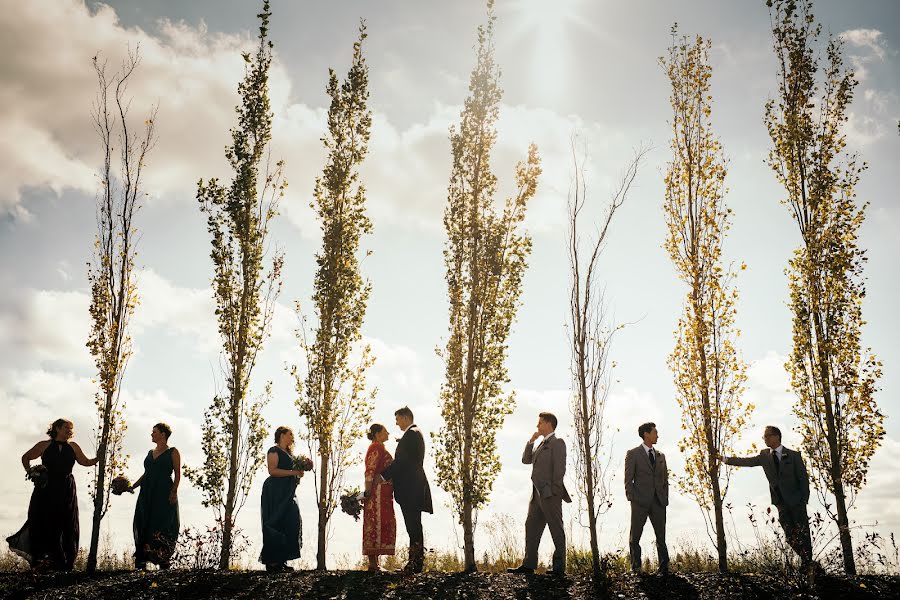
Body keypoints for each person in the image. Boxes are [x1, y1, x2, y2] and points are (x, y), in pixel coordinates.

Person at [7, 419, 98, 570]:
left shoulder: (73, 447)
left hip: (66, 489)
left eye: (71, 428)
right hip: (46, 488)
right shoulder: (44, 445)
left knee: (66, 523)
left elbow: (85, 462)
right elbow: (26, 457)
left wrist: (98, 457)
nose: (70, 431)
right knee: (44, 521)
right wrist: (32, 472)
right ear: (57, 428)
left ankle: (65, 563)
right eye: (66, 428)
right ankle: (44, 562)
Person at [721, 425, 815, 572]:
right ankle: (807, 561)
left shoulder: (794, 455)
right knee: (790, 536)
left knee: (803, 533)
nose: (765, 439)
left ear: (777, 436)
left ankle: (808, 564)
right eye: (764, 437)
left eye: (768, 436)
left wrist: (804, 499)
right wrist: (725, 459)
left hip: (797, 501)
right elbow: (747, 462)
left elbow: (803, 478)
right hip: (781, 503)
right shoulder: (764, 455)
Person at [508, 411, 572, 575]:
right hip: (536, 496)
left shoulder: (558, 443)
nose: (537, 426)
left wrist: (554, 491)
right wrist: (531, 441)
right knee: (531, 527)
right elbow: (525, 460)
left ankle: (559, 568)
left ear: (549, 424)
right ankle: (529, 565)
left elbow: (559, 470)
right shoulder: (540, 444)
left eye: (540, 423)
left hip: (550, 494)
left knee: (556, 529)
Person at [380, 406, 432, 573]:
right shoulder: (414, 434)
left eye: (397, 419)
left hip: (411, 488)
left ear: (405, 417)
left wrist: (383, 476)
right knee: (414, 526)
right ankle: (415, 563)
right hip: (414, 486)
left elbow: (401, 462)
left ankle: (415, 564)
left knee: (413, 527)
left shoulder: (411, 435)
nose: (396, 423)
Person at [129, 422, 181, 570]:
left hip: (164, 491)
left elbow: (177, 474)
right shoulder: (149, 453)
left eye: (154, 432)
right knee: (143, 521)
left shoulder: (173, 452)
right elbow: (147, 474)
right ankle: (142, 559)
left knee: (162, 522)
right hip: (147, 492)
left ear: (163, 434)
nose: (151, 434)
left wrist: (174, 491)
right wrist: (133, 485)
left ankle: (162, 559)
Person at [624, 421, 669, 574]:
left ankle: (664, 567)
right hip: (640, 501)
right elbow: (628, 478)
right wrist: (632, 497)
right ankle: (636, 567)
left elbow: (665, 480)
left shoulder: (661, 455)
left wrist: (665, 498)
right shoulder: (633, 453)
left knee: (661, 536)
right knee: (635, 536)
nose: (658, 435)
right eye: (655, 432)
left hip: (658, 501)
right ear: (646, 434)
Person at [259, 426, 304, 572]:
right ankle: (273, 562)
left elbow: (292, 472)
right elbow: (272, 471)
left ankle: (282, 558)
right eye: (290, 434)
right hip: (275, 491)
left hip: (288, 492)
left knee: (291, 521)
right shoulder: (274, 450)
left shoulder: (289, 453)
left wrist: (298, 474)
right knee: (275, 522)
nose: (292, 437)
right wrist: (293, 472)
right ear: (282, 435)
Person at [363, 423, 396, 571]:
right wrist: (368, 490)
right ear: (377, 434)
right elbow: (370, 469)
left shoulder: (380, 447)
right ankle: (372, 563)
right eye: (385, 431)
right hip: (377, 492)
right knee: (375, 521)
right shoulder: (376, 448)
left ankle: (375, 562)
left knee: (381, 521)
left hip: (384, 492)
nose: (388, 433)